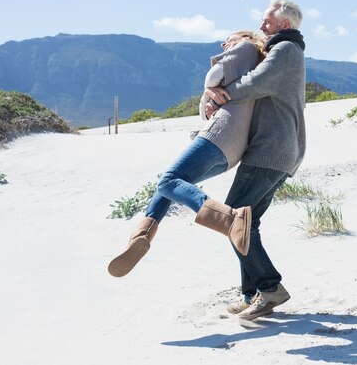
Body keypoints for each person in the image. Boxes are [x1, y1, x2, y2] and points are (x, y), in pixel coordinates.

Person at [108, 30, 266, 278]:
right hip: (231, 149)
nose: (224, 44)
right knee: (172, 184)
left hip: (220, 135)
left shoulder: (246, 48)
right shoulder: (250, 64)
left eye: (229, 39)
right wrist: (211, 94)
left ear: (244, 37)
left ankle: (231, 219)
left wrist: (208, 87)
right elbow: (205, 113)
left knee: (168, 180)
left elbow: (213, 76)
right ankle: (141, 235)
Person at [202, 0, 306, 320]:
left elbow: (256, 83)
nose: (261, 26)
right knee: (248, 221)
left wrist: (221, 92)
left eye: (266, 20)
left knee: (233, 218)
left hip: (271, 150)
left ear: (284, 24)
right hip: (277, 150)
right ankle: (254, 295)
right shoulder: (284, 49)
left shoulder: (286, 50)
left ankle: (271, 287)